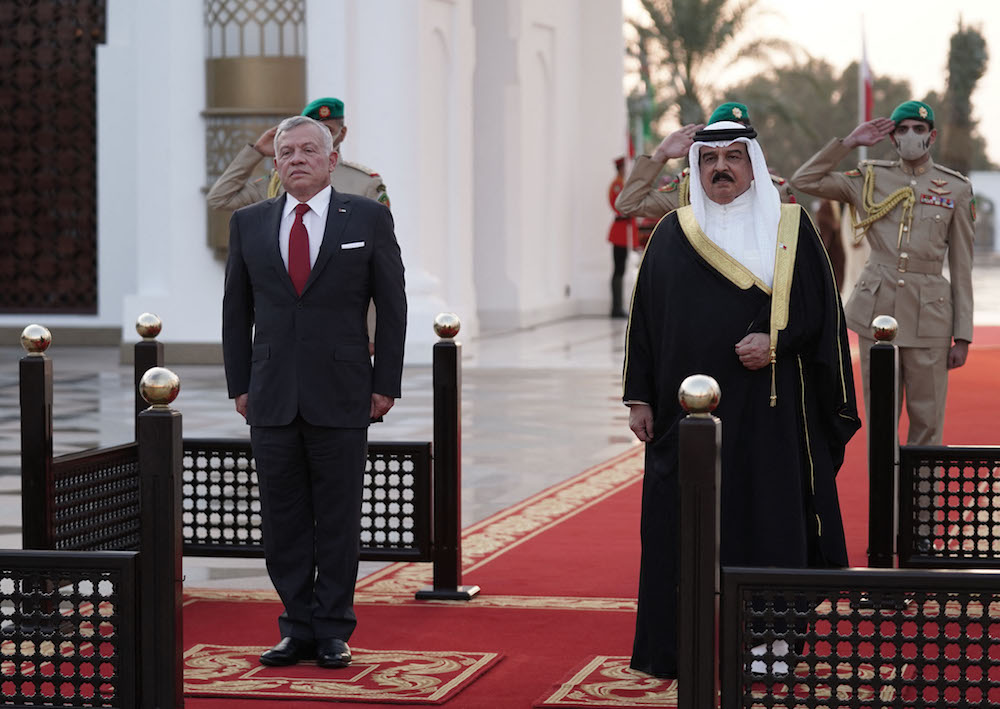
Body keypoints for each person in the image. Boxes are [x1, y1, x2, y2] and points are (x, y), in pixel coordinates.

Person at [622, 114, 860, 678]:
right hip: (685, 416)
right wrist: (639, 398)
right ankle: (673, 648)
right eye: (709, 158)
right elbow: (646, 323)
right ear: (696, 168)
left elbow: (820, 314)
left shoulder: (791, 227)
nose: (721, 167)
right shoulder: (672, 232)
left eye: (733, 157)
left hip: (770, 412)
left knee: (768, 521)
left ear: (752, 164)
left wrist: (775, 343)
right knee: (680, 526)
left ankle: (771, 646)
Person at [222, 115, 406, 669]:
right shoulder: (249, 223)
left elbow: (392, 308)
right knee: (282, 520)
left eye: (309, 150)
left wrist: (385, 384)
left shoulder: (368, 217)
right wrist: (240, 384)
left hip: (344, 392)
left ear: (331, 160)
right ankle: (295, 626)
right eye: (288, 152)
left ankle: (332, 628)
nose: (297, 158)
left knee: (337, 517)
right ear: (276, 164)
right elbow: (237, 312)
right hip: (271, 394)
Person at [791, 100, 974, 445]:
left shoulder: (956, 189)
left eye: (918, 130)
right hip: (877, 312)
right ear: (892, 138)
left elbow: (962, 266)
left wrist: (962, 335)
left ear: (931, 136)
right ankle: (886, 501)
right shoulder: (869, 178)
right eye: (901, 130)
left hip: (930, 317)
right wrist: (849, 143)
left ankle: (923, 501)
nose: (910, 136)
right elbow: (806, 179)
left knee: (928, 424)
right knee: (881, 423)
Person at [614, 102, 796, 220]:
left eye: (734, 153)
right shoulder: (687, 192)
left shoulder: (775, 192)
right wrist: (661, 155)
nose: (721, 166)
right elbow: (628, 204)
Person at [207, 97, 390, 211]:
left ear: (342, 133)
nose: (321, 135)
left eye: (327, 129)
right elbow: (219, 199)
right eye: (313, 129)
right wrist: (256, 152)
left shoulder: (364, 183)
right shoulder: (279, 180)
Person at [608, 156, 636, 318]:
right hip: (618, 233)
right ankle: (616, 307)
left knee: (621, 269)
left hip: (623, 233)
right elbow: (618, 205)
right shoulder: (617, 185)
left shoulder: (621, 184)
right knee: (618, 270)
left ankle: (617, 306)